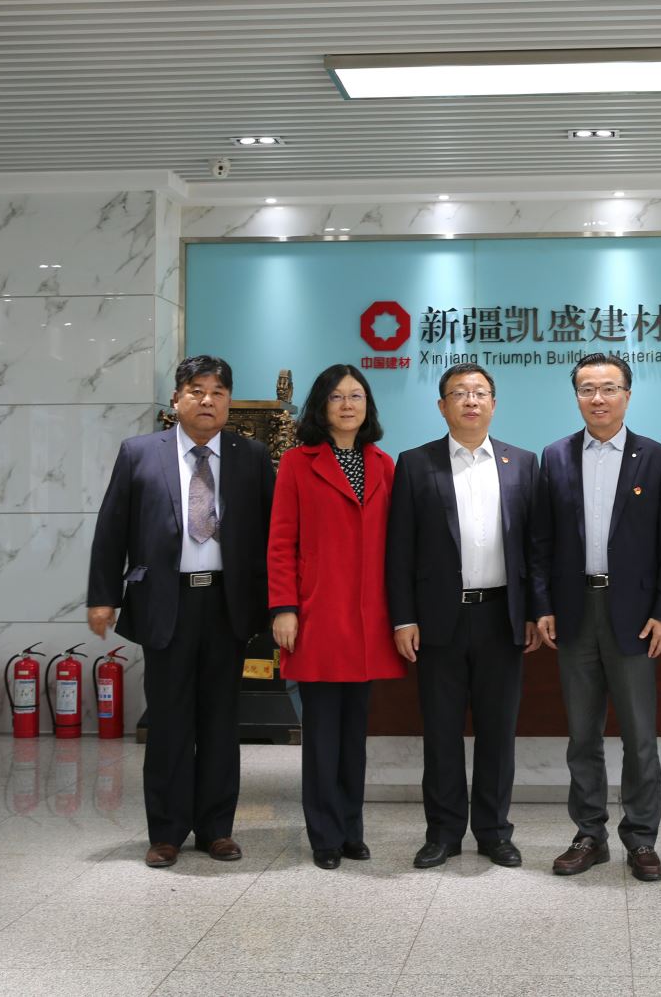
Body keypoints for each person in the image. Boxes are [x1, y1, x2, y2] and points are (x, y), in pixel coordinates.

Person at [87, 355, 274, 868]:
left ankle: (217, 829)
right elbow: (111, 529)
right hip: (165, 602)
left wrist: (277, 602)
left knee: (220, 721)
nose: (207, 400)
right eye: (196, 390)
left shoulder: (251, 456)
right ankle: (166, 832)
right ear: (176, 399)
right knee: (169, 721)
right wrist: (103, 596)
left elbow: (273, 535)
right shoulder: (139, 453)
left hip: (227, 604)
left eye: (218, 392)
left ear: (229, 402)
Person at [531, 353, 661, 882]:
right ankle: (589, 834)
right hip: (575, 611)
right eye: (587, 389)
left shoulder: (657, 459)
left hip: (636, 617)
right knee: (582, 734)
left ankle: (641, 838)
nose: (597, 398)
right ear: (576, 395)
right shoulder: (555, 456)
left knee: (640, 734)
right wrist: (542, 604)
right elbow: (541, 542)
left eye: (608, 388)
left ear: (627, 394)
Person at [386, 362, 540, 870]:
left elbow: (535, 547)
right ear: (442, 406)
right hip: (439, 620)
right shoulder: (415, 463)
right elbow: (400, 549)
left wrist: (535, 612)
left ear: (493, 403)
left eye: (480, 393)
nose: (471, 401)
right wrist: (404, 618)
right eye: (459, 393)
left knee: (498, 732)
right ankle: (443, 833)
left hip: (501, 617)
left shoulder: (523, 463)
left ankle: (494, 832)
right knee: (441, 732)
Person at [267, 363, 405, 869]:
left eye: (356, 396)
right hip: (319, 615)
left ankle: (351, 830)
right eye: (337, 397)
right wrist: (284, 607)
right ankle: (324, 836)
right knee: (322, 735)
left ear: (368, 405)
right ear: (321, 406)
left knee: (354, 736)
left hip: (368, 620)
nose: (348, 405)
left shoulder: (384, 465)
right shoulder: (297, 464)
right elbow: (280, 542)